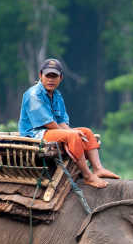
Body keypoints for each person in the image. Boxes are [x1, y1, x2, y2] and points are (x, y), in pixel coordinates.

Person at [19, 58, 119, 188]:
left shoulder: (57, 95)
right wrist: (70, 133)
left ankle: (98, 168)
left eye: (54, 76)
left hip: (51, 132)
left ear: (60, 78)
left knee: (86, 132)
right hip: (35, 134)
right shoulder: (33, 94)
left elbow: (61, 121)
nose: (51, 79)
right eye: (47, 76)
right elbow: (48, 123)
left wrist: (71, 130)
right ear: (40, 75)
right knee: (72, 136)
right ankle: (88, 176)